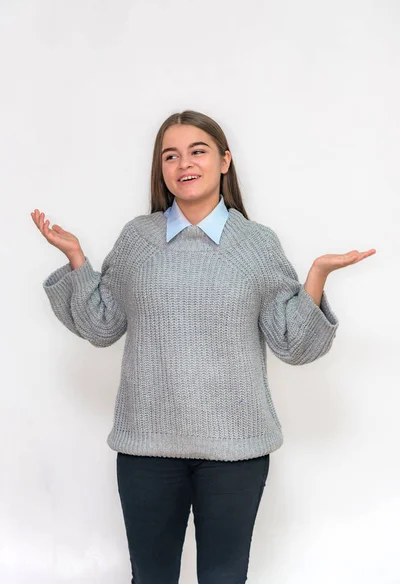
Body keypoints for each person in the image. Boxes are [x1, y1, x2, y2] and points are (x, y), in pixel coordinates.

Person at [31, 109, 376, 584]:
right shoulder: (138, 238)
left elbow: (293, 344)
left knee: (224, 578)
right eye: (170, 155)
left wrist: (315, 275)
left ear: (224, 161)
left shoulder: (255, 244)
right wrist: (75, 258)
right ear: (162, 169)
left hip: (236, 453)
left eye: (198, 151)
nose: (183, 164)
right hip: (147, 449)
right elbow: (103, 325)